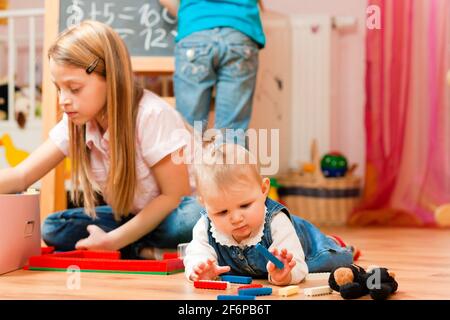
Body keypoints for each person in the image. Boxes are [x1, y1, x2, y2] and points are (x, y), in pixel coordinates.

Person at [0, 21, 203, 259]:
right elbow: (23, 175)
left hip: (174, 212)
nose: (63, 100)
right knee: (54, 227)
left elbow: (173, 197)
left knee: (190, 220)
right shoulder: (77, 122)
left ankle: (126, 246)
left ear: (111, 78)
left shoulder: (151, 115)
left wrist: (112, 239)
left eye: (74, 88)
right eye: (58, 88)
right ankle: (144, 249)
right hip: (130, 216)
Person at [184, 142, 354, 285]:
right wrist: (200, 270)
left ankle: (331, 242)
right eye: (222, 212)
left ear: (264, 189)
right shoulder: (205, 226)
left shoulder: (276, 222)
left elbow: (296, 265)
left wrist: (285, 274)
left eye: (245, 205)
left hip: (306, 246)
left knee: (334, 259)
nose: (236, 218)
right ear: (205, 205)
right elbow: (195, 253)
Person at [159, 0, 265, 143]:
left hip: (195, 30)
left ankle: (191, 162)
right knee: (232, 133)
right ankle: (230, 164)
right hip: (239, 30)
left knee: (189, 128)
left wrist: (191, 14)